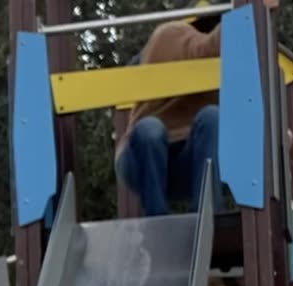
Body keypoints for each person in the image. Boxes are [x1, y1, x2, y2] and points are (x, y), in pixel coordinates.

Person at [115, 0, 280, 216]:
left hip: (188, 159)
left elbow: (243, 118)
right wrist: (250, 8)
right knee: (150, 129)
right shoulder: (169, 34)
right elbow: (203, 49)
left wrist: (275, 138)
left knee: (212, 117)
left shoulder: (228, 70)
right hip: (140, 159)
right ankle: (156, 219)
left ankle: (206, 211)